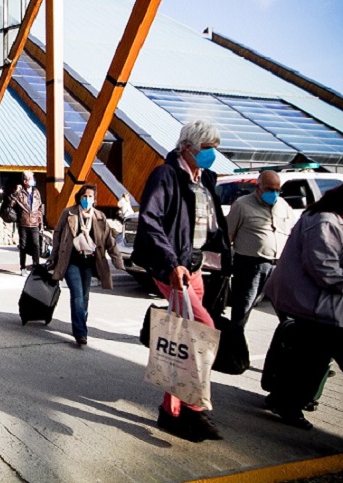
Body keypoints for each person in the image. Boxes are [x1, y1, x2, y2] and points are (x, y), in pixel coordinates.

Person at [131, 119, 230, 442]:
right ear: (186, 148)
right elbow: (151, 220)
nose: (212, 154)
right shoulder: (166, 175)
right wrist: (172, 263)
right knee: (202, 331)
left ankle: (170, 411)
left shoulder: (205, 180)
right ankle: (192, 410)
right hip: (175, 271)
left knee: (183, 342)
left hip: (197, 267)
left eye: (215, 148)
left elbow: (211, 227)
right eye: (206, 149)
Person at [262, 185, 343, 430]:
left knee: (304, 354)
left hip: (313, 303)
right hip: (310, 303)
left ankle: (283, 398)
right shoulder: (325, 222)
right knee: (312, 356)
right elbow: (325, 270)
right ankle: (289, 403)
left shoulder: (328, 218)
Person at [47, 184, 124, 346]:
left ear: (94, 200)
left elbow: (109, 241)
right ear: (79, 198)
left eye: (90, 197)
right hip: (70, 261)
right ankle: (80, 333)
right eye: (84, 196)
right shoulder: (69, 213)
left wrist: (118, 260)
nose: (87, 200)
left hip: (90, 262)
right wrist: (53, 256)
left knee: (85, 296)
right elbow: (58, 234)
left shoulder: (100, 217)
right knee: (77, 295)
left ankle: (80, 323)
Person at [227, 170, 295, 329]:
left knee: (287, 312)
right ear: (258, 188)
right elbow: (229, 235)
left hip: (278, 266)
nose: (274, 194)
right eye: (269, 189)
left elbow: (292, 232)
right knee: (243, 310)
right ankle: (235, 349)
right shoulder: (242, 205)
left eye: (277, 190)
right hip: (250, 266)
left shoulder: (283, 205)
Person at [8, 170, 44, 276]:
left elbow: (40, 208)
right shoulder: (20, 192)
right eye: (30, 179)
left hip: (34, 223)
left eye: (33, 178)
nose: (33, 181)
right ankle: (23, 267)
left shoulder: (36, 192)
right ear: (25, 181)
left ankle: (36, 266)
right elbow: (11, 204)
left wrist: (41, 223)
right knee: (23, 246)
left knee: (36, 245)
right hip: (23, 223)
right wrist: (15, 192)